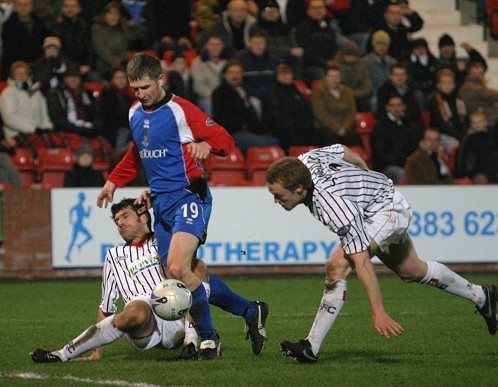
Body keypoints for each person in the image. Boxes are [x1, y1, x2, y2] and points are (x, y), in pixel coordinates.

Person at [264, 144, 498, 363]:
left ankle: (310, 347)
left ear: (299, 189)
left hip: (386, 211)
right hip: (378, 200)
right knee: (411, 271)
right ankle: (481, 295)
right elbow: (343, 150)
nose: (275, 201)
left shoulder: (335, 207)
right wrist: (365, 174)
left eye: (279, 196)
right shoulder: (305, 160)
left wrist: (378, 312)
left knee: (337, 265)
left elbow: (363, 263)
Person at [96, 53, 235, 360]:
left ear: (160, 80)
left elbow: (225, 139)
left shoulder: (182, 110)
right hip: (162, 204)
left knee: (176, 268)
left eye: (145, 87)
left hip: (189, 196)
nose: (140, 94)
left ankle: (208, 339)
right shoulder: (134, 112)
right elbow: (137, 154)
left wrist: (207, 146)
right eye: (135, 89)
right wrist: (113, 182)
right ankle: (245, 313)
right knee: (178, 274)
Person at [30, 198, 270, 363]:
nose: (120, 223)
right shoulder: (114, 255)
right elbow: (106, 306)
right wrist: (96, 353)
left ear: (143, 216)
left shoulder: (164, 241)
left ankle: (193, 341)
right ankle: (61, 354)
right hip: (146, 324)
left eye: (125, 216)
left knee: (196, 268)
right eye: (116, 221)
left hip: (179, 313)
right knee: (134, 310)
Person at [212, 58, 279, 153]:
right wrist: (246, 125)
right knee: (270, 142)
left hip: (248, 129)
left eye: (238, 73)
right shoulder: (219, 93)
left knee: (275, 137)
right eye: (232, 72)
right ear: (225, 75)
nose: (235, 76)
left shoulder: (243, 90)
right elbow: (224, 119)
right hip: (232, 133)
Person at [0, 60, 54, 152]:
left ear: (28, 75)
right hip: (16, 134)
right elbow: (9, 118)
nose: (21, 76)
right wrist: (32, 129)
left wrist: (47, 126)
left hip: (38, 132)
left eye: (24, 73)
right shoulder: (8, 93)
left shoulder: (37, 93)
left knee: (55, 145)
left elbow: (44, 115)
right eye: (18, 74)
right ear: (13, 76)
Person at [261, 62, 314, 152]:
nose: (285, 76)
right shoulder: (271, 93)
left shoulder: (295, 90)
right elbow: (274, 116)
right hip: (282, 130)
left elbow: (306, 109)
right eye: (282, 73)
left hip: (299, 127)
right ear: (276, 76)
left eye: (288, 73)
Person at [370, 94, 423, 183]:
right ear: (387, 107)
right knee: (403, 174)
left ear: (404, 107)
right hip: (386, 167)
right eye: (393, 105)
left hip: (407, 163)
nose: (396, 108)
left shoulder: (410, 124)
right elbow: (380, 153)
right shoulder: (380, 126)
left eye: (399, 105)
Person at [310, 62, 360, 148]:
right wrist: (337, 128)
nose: (334, 79)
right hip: (326, 128)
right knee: (330, 139)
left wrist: (344, 127)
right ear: (326, 77)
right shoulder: (318, 91)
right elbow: (321, 114)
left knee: (356, 139)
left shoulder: (347, 92)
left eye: (336, 77)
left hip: (345, 128)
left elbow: (351, 112)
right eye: (331, 76)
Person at [1, 0, 49, 80]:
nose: (23, 8)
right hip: (17, 69)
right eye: (20, 5)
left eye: (26, 4)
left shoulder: (40, 23)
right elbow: (8, 51)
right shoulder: (8, 26)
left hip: (38, 66)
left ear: (31, 6)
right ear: (15, 7)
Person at [50, 0, 94, 81]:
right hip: (63, 67)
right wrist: (72, 68)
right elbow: (57, 51)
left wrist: (88, 65)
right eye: (67, 6)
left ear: (79, 9)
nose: (70, 9)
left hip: (82, 67)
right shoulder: (56, 27)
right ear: (62, 9)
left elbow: (89, 48)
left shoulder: (84, 26)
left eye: (73, 6)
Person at [427, 68, 467, 155]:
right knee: (455, 145)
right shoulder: (435, 100)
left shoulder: (458, 99)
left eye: (450, 82)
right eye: (444, 82)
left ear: (454, 85)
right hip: (442, 133)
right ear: (438, 85)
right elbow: (441, 124)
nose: (447, 85)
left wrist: (464, 133)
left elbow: (464, 118)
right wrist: (460, 136)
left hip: (459, 131)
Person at [295, 0, 338, 81]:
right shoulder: (303, 27)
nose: (318, 10)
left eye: (321, 7)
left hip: (329, 63)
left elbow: (334, 47)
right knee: (325, 77)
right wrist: (325, 62)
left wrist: (332, 60)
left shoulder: (328, 28)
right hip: (310, 65)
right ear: (308, 11)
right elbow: (307, 51)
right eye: (314, 8)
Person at [191, 33, 230, 115]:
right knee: (210, 104)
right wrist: (215, 96)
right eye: (212, 44)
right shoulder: (197, 62)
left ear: (223, 46)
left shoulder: (229, 61)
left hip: (228, 95)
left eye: (218, 44)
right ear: (206, 46)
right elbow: (198, 86)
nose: (215, 48)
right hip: (207, 97)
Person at [234, 29, 280, 100]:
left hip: (271, 97)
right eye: (255, 43)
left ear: (265, 44)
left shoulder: (274, 59)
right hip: (248, 98)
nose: (258, 46)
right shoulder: (240, 59)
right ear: (249, 44)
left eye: (261, 43)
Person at [454, 110, 497, 184]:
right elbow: (462, 158)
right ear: (471, 125)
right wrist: (465, 174)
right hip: (476, 173)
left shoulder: (491, 136)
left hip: (491, 170)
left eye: (480, 122)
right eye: (474, 123)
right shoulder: (469, 139)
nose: (477, 125)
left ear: (486, 122)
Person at [364, 30, 397, 112]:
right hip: (374, 94)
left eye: (385, 44)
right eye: (378, 44)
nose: (382, 47)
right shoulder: (365, 62)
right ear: (373, 45)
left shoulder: (392, 62)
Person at [337, 41, 373, 112]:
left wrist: (353, 94)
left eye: (354, 55)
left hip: (359, 98)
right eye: (348, 55)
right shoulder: (336, 66)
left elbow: (367, 87)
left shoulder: (362, 66)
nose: (351, 57)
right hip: (342, 98)